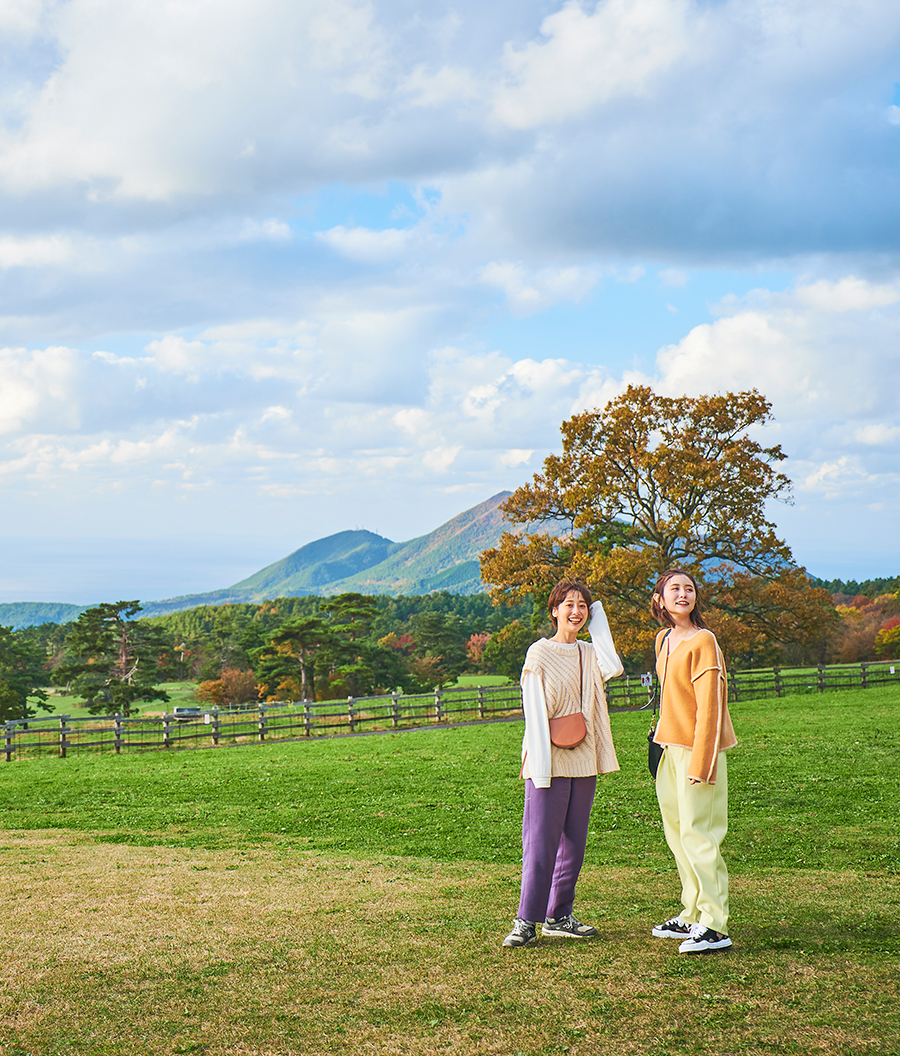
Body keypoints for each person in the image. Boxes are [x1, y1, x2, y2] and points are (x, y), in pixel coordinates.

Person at [502, 579, 623, 948]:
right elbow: (534, 716)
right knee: (540, 845)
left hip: (583, 758)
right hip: (548, 762)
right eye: (568, 604)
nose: (576, 611)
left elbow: (614, 665)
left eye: (582, 606)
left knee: (574, 844)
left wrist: (597, 611)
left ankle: (558, 916)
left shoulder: (589, 653)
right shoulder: (538, 654)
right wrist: (540, 770)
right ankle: (526, 920)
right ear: (553, 610)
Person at [649, 569, 737, 954]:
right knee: (678, 834)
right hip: (668, 749)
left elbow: (711, 709)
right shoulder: (663, 639)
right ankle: (691, 913)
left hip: (699, 752)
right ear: (660, 600)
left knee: (700, 835)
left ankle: (715, 924)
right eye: (674, 589)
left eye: (689, 589)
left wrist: (702, 764)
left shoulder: (705, 641)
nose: (683, 594)